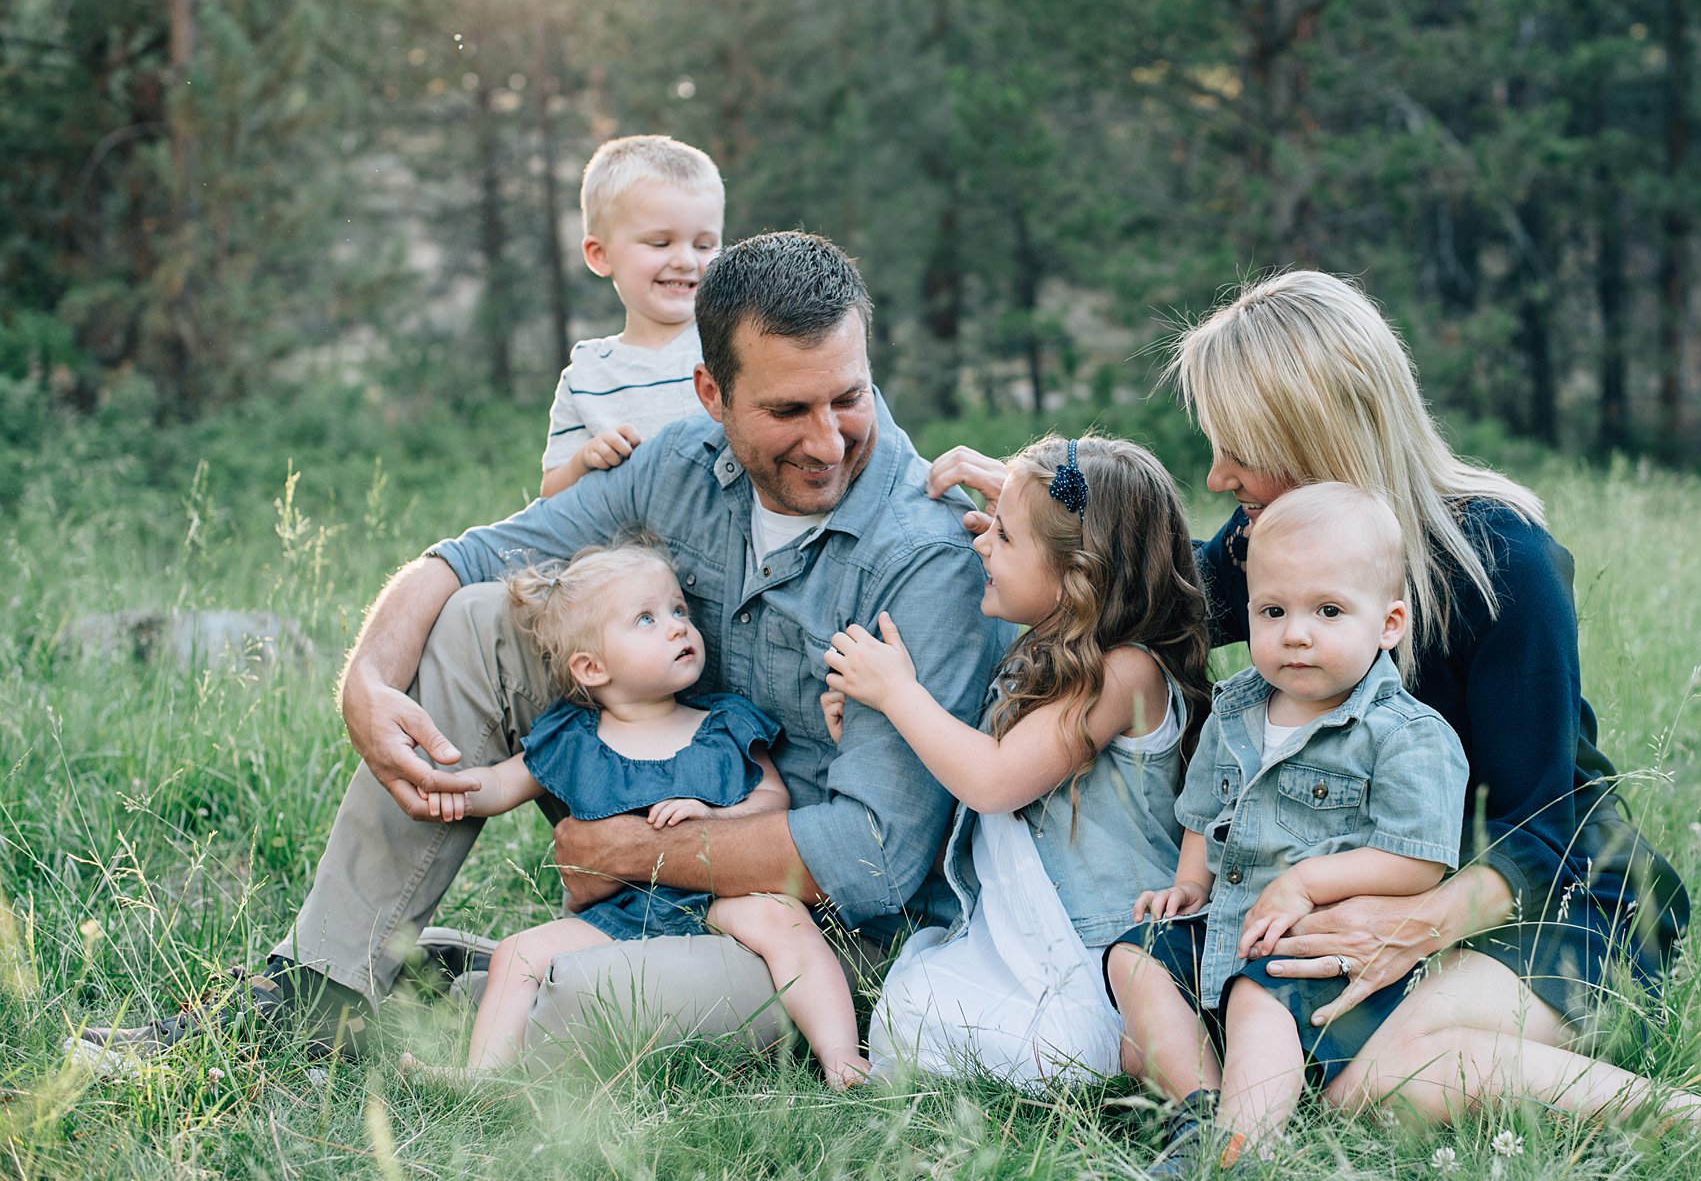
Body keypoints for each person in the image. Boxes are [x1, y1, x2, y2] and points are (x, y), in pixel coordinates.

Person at [925, 269, 1701, 1141]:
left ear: (1316, 437)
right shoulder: (1277, 542)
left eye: (1240, 450)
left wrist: (1412, 924)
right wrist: (1036, 505)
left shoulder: (1501, 565)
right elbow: (1146, 597)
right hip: (1374, 889)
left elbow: (1540, 825)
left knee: (1385, 1079)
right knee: (1317, 1055)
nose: (1220, 477)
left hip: (1549, 898)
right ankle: (1667, 1099)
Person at [79, 231, 1007, 1067]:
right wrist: (363, 678)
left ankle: (420, 986)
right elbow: (477, 554)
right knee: (478, 617)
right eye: (788, 409)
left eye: (850, 397)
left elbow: (877, 858)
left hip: (804, 930)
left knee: (552, 1012)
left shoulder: (924, 555)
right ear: (711, 394)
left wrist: (627, 849)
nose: (827, 440)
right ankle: (325, 985)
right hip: (655, 856)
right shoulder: (679, 465)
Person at [397, 542, 867, 1087]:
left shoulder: (723, 725)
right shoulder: (574, 737)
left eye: (678, 611)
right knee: (518, 951)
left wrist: (712, 814)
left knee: (786, 924)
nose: (676, 628)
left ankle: (841, 1056)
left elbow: (773, 802)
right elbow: (503, 782)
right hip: (621, 911)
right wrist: (451, 787)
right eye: (646, 618)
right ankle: (484, 1077)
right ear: (591, 667)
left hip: (725, 895)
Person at [822, 437, 1209, 1086]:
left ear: (1074, 575)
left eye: (1002, 535)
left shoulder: (1126, 672)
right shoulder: (1042, 653)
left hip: (1099, 959)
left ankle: (1135, 1045)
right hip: (1021, 946)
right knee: (905, 1013)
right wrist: (877, 716)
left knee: (1044, 1045)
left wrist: (898, 692)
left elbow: (994, 779)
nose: (980, 542)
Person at [1108, 483, 1467, 1169]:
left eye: (1328, 610)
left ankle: (1242, 1149)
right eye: (1273, 610)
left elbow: (1417, 859)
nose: (1295, 632)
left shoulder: (1405, 735)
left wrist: (1309, 880)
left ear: (1389, 623)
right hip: (1225, 924)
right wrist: (1189, 882)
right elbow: (1203, 811)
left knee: (1257, 999)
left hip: (1314, 951)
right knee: (1136, 955)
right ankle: (1199, 1109)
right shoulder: (1238, 706)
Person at [539, 135, 724, 498]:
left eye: (703, 245)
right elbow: (550, 498)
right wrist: (583, 462)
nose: (687, 261)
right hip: (629, 546)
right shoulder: (587, 376)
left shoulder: (734, 346)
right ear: (600, 255)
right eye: (660, 243)